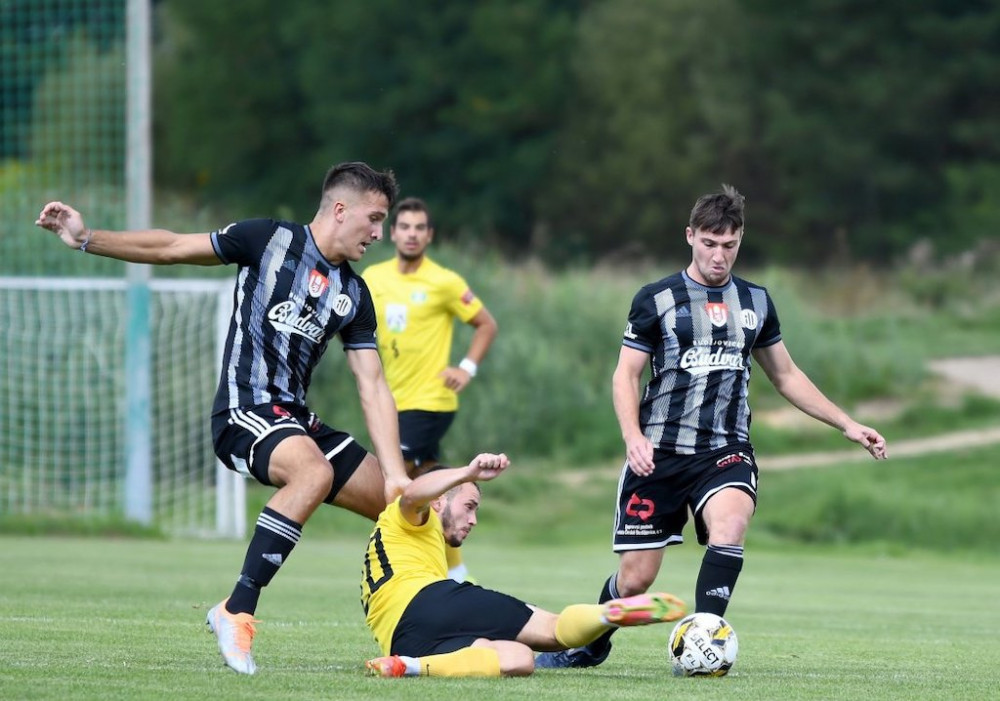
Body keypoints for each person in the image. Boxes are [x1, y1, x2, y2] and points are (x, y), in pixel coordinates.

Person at [35, 162, 412, 676]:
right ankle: (236, 610)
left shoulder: (354, 293)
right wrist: (86, 238)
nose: (379, 233)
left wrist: (396, 476)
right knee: (313, 473)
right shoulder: (266, 239)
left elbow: (372, 385)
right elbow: (171, 247)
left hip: (295, 419)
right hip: (243, 410)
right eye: (375, 218)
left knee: (408, 509)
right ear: (341, 209)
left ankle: (434, 630)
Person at [535, 184, 889, 669]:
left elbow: (786, 374)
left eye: (729, 244)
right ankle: (589, 647)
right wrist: (633, 437)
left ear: (740, 240)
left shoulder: (755, 301)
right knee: (635, 580)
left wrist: (846, 422)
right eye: (709, 243)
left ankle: (704, 641)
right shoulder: (656, 299)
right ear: (690, 236)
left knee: (731, 524)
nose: (719, 255)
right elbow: (626, 375)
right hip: (658, 453)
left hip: (724, 450)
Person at [359, 454, 687, 678]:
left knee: (518, 659)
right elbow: (411, 494)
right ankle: (607, 614)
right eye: (469, 506)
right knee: (553, 631)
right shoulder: (411, 516)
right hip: (425, 598)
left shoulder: (399, 541)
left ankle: (406, 667)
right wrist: (467, 473)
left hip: (404, 641)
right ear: (439, 500)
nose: (473, 520)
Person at [363, 197, 498, 581]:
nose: (412, 234)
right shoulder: (373, 277)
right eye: (405, 226)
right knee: (433, 486)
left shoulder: (444, 282)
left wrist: (466, 368)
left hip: (429, 403)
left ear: (429, 235)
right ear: (392, 233)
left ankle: (400, 571)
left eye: (419, 227)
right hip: (390, 402)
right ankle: (458, 577)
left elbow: (486, 324)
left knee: (392, 490)